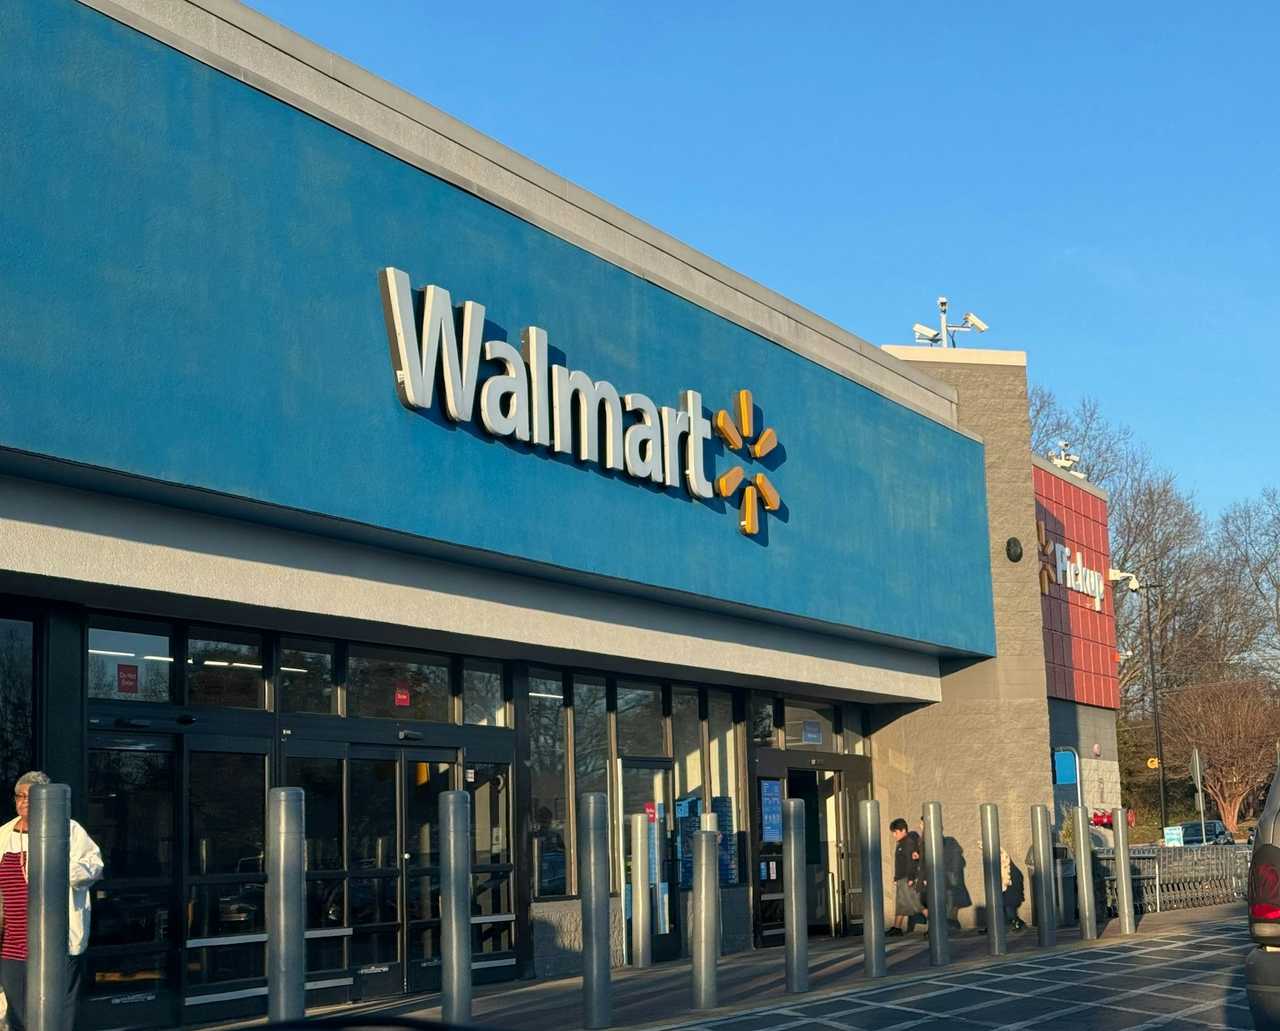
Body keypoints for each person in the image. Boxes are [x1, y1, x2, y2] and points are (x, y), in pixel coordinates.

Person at [0, 771, 103, 1031]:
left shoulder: (69, 829)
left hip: (56, 944)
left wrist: (54, 861)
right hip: (12, 945)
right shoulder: (3, 834)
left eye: (30, 796)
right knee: (17, 1013)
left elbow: (94, 867)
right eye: (19, 796)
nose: (23, 802)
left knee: (56, 1014)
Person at [887, 817, 922, 936]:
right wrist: (896, 877)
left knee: (918, 903)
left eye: (895, 832)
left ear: (903, 830)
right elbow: (900, 864)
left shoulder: (908, 843)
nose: (894, 835)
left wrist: (911, 878)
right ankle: (897, 928)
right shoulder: (901, 843)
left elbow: (911, 862)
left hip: (907, 878)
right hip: (902, 878)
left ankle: (935, 926)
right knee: (901, 904)